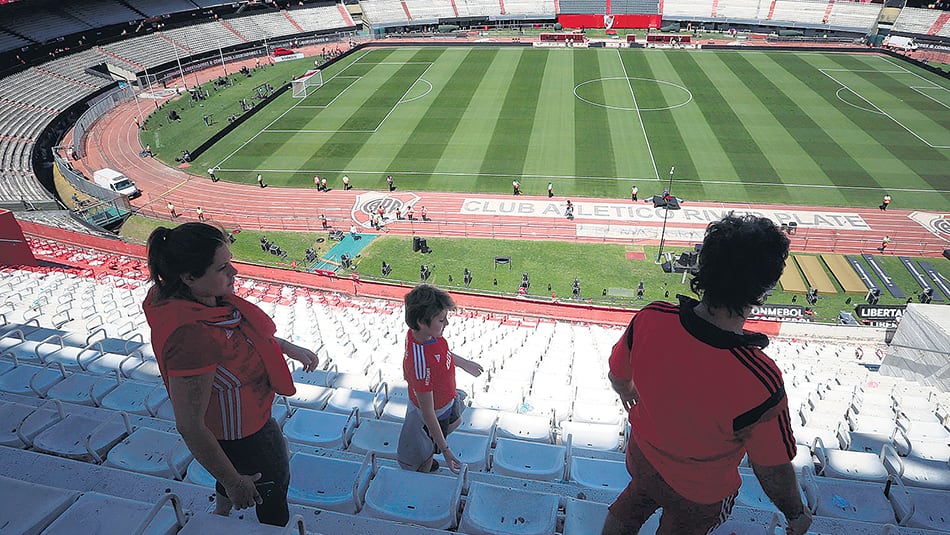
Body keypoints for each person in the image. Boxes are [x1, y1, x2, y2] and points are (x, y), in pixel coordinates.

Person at [602, 213, 810, 535]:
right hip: (700, 494)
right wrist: (795, 513)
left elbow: (618, 377)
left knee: (631, 505)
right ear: (764, 288)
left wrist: (627, 391)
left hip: (642, 460)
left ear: (703, 265)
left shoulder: (650, 319)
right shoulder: (762, 380)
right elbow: (772, 467)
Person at [143, 223, 320, 527]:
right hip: (245, 434)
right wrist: (235, 482)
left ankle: (221, 515)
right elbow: (189, 425)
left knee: (247, 479)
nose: (234, 272)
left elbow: (234, 343)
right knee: (274, 496)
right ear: (189, 277)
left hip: (238, 426)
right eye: (223, 267)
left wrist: (287, 347)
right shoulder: (191, 337)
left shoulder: (197, 302)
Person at [397, 284, 483, 473]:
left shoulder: (425, 336)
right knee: (425, 451)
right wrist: (446, 451)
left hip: (446, 401)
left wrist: (463, 363)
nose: (447, 324)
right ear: (422, 322)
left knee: (454, 421)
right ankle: (425, 465)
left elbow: (442, 352)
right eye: (442, 320)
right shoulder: (420, 365)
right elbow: (428, 414)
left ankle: (433, 445)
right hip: (433, 414)